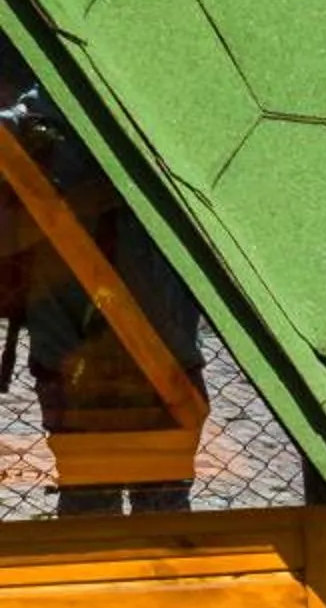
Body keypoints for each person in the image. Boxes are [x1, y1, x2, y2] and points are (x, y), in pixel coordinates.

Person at [0, 65, 206, 517]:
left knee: (101, 493)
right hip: (132, 316)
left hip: (94, 321)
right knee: (150, 496)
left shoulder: (40, 102)